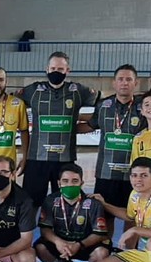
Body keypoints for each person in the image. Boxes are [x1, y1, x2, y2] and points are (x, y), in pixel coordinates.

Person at [20, 51, 100, 207]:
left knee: (66, 203)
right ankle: (28, 232)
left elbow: (104, 105)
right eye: (53, 68)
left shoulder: (78, 91)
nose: (56, 72)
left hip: (65, 160)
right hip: (37, 160)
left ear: (67, 71)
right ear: (47, 69)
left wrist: (87, 122)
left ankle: (60, 231)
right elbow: (6, 101)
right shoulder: (33, 90)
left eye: (60, 69)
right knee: (30, 204)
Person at [77, 64, 145, 239]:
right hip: (106, 173)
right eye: (120, 79)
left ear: (136, 83)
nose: (124, 83)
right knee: (106, 216)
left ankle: (129, 256)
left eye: (129, 79)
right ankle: (105, 252)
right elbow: (90, 125)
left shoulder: (143, 106)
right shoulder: (103, 105)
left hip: (134, 174)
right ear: (114, 83)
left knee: (132, 216)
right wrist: (65, 129)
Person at [35, 163, 111, 262]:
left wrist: (79, 245)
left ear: (82, 183)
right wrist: (58, 242)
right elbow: (45, 229)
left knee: (102, 252)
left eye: (75, 181)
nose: (70, 184)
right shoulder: (50, 200)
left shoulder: (93, 203)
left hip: (84, 245)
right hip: (61, 245)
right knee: (40, 248)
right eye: (65, 181)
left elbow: (100, 233)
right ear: (59, 183)